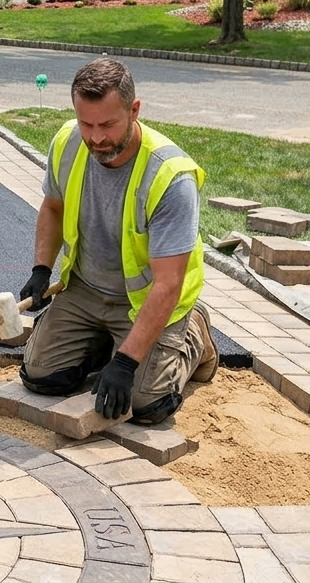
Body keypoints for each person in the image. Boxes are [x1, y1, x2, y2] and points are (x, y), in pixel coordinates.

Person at [18, 58, 217, 425]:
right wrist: (41, 268)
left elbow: (168, 283)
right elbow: (52, 207)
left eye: (108, 124)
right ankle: (105, 342)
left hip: (149, 301)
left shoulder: (170, 176)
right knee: (41, 377)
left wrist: (126, 363)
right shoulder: (67, 142)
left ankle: (194, 335)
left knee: (144, 405)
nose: (95, 138)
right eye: (86, 123)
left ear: (134, 109)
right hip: (86, 291)